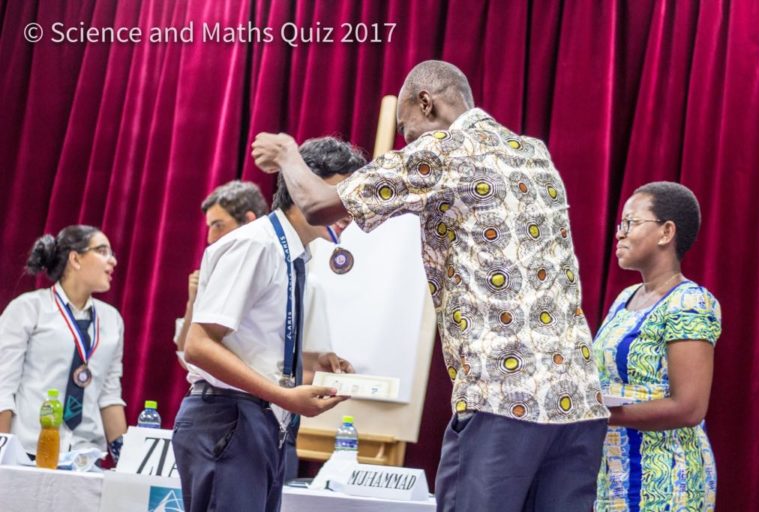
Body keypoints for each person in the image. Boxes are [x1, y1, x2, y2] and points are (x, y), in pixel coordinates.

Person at [251, 60, 609, 512]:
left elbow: (318, 205)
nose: (407, 143)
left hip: (505, 399)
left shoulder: (442, 150)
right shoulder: (534, 153)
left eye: (406, 131)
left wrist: (287, 154)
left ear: (427, 103)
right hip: (579, 403)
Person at [172, 136, 363, 512]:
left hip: (260, 419)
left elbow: (254, 345)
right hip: (230, 416)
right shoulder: (256, 244)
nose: (350, 208)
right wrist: (283, 396)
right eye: (342, 192)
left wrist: (312, 364)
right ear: (302, 184)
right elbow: (198, 345)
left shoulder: (295, 254)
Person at [592, 182, 720, 511]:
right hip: (615, 476)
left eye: (631, 222)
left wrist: (599, 414)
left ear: (666, 232)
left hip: (669, 481)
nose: (619, 233)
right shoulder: (624, 299)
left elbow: (689, 408)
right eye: (620, 224)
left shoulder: (689, 302)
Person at [0, 225, 127, 462]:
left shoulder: (112, 320)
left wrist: (126, 462)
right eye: (102, 251)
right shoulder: (28, 308)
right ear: (75, 259)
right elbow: (3, 387)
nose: (113, 261)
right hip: (28, 452)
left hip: (86, 457)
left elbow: (109, 395)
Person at [174, 180, 269, 358]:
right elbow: (185, 352)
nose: (210, 238)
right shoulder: (213, 275)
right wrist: (193, 302)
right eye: (210, 227)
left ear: (249, 221)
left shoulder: (280, 276)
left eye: (218, 225)